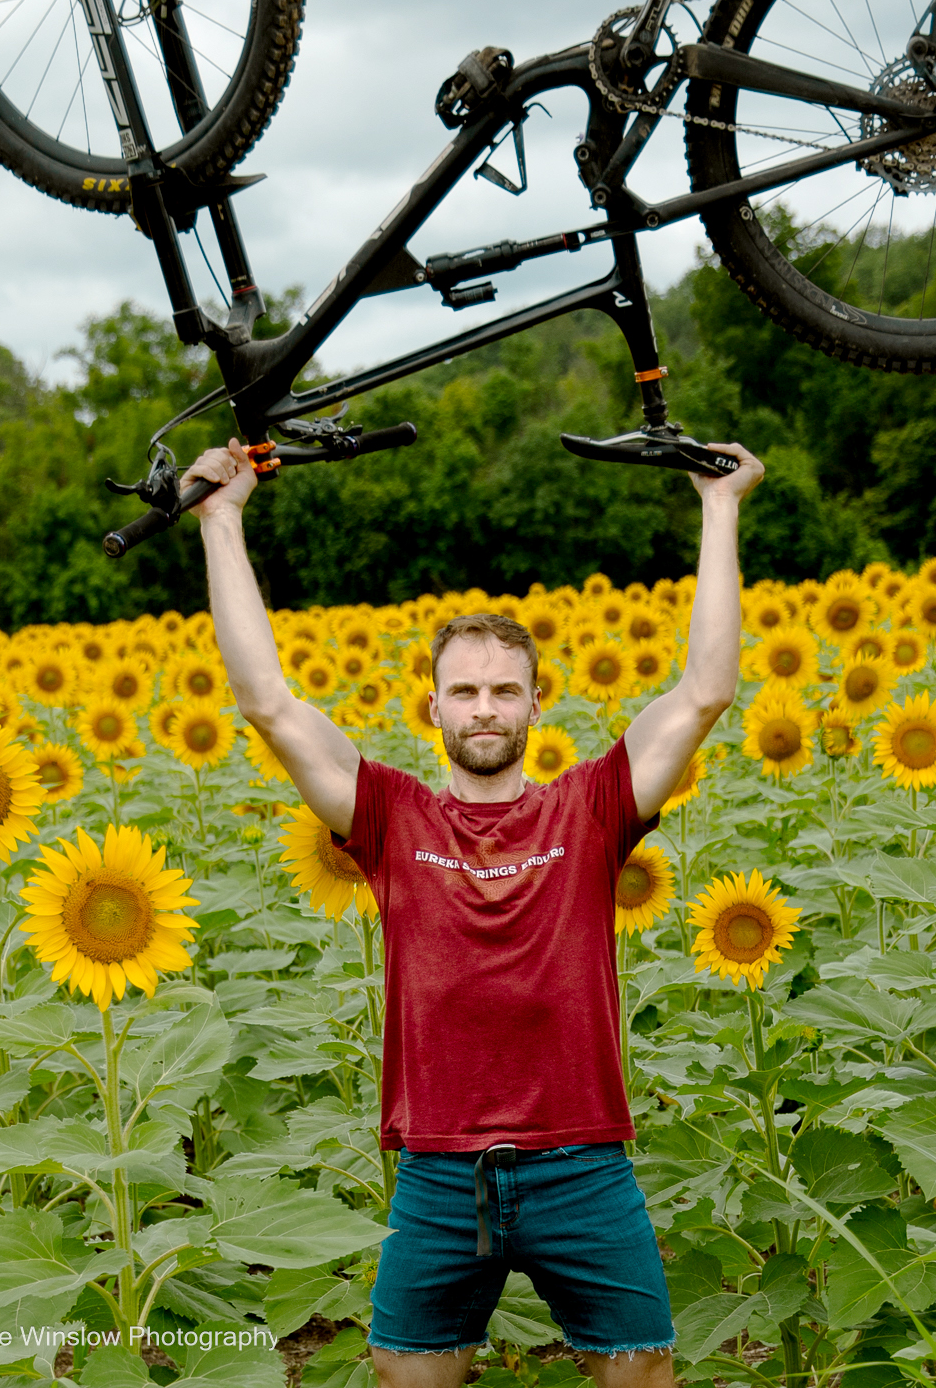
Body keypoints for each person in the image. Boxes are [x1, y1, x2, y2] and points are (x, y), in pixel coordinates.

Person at [184, 435, 764, 1388]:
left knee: (644, 1373)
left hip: (582, 1162)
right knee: (406, 1374)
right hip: (442, 1172)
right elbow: (269, 705)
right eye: (465, 691)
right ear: (434, 708)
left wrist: (720, 508)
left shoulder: (590, 807)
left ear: (537, 703)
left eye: (504, 690)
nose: (484, 708)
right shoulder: (388, 815)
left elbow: (705, 693)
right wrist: (221, 519)